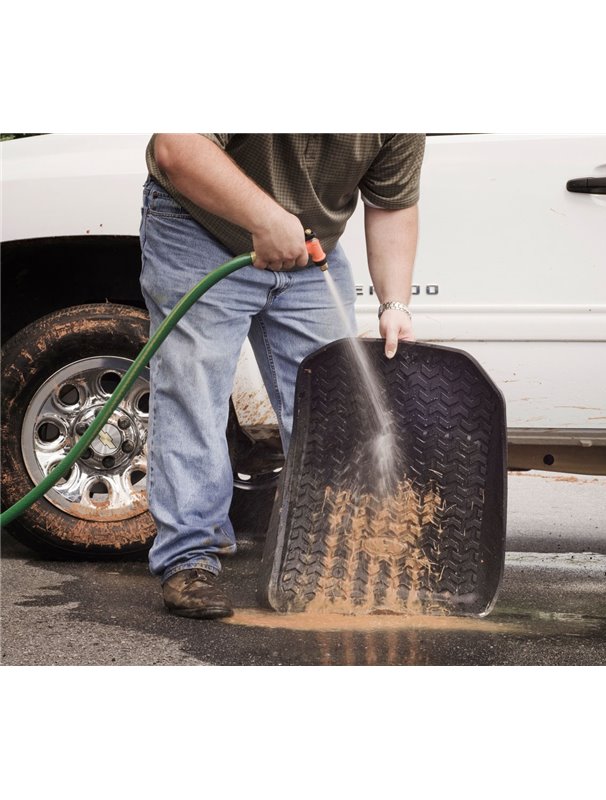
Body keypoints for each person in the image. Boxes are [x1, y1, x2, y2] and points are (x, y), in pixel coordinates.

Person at [139, 134, 426, 619]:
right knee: (193, 390)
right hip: (199, 228)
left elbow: (393, 204)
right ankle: (189, 560)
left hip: (311, 250)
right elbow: (177, 146)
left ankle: (330, 554)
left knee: (333, 403)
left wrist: (394, 304)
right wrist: (265, 217)